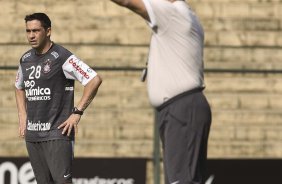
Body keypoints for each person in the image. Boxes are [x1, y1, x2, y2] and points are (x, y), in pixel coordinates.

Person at [110, 0, 212, 184]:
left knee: (181, 180)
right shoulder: (186, 15)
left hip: (181, 109)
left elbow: (128, 2)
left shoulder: (171, 12)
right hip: (185, 107)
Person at [15, 12, 102, 184]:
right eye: (28, 31)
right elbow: (19, 86)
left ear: (48, 31)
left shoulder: (62, 57)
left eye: (36, 31)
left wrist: (77, 113)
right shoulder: (25, 59)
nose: (31, 35)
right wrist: (22, 116)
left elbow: (94, 80)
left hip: (57, 133)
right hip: (33, 135)